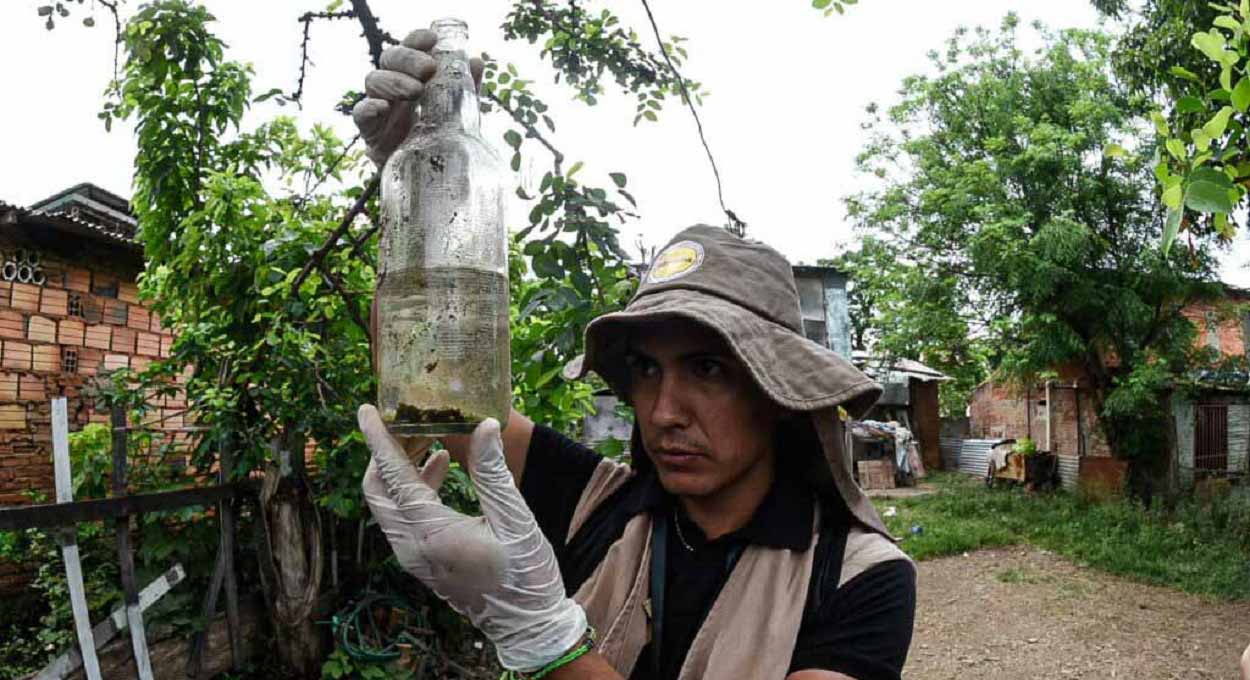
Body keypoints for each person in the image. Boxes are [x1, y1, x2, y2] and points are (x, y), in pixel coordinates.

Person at [353, 28, 916, 680]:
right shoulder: (601, 508)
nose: (664, 410)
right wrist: (424, 190)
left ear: (779, 395)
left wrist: (546, 639)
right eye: (647, 368)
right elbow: (440, 393)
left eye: (708, 369)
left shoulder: (856, 577)